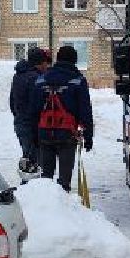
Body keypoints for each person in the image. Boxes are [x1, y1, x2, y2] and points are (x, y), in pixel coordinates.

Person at [33, 44, 94, 192]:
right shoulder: (78, 80)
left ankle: (45, 203)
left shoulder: (41, 79)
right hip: (67, 134)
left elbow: (33, 109)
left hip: (44, 134)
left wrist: (35, 135)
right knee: (64, 181)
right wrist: (88, 136)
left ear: (58, 59)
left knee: (45, 179)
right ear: (74, 61)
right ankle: (63, 201)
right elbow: (85, 110)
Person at [8, 47, 52, 176]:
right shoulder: (36, 79)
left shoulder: (18, 76)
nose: (47, 66)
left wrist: (19, 116)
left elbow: (12, 102)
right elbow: (37, 106)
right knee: (35, 164)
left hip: (21, 123)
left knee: (29, 159)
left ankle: (28, 183)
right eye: (46, 62)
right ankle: (30, 186)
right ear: (40, 63)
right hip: (33, 126)